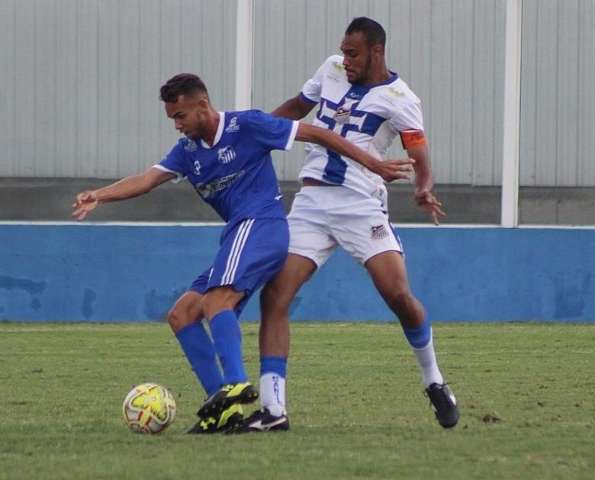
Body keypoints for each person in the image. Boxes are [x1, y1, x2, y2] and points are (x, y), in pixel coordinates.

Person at [71, 73, 413, 433]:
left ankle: (235, 382)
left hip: (263, 226)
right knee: (183, 314)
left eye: (180, 116)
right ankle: (224, 409)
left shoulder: (247, 125)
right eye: (172, 118)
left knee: (216, 302)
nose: (177, 125)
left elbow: (315, 132)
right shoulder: (187, 152)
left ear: (202, 105)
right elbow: (146, 179)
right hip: (238, 235)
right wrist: (100, 194)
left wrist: (371, 164)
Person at [237, 17, 459, 433]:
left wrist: (423, 187)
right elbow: (295, 110)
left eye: (353, 53)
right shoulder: (331, 70)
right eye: (343, 51)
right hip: (312, 204)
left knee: (397, 295)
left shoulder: (401, 98)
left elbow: (420, 155)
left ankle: (434, 380)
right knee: (276, 295)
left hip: (361, 205)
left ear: (377, 51)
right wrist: (251, 133)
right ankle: (273, 409)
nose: (345, 59)